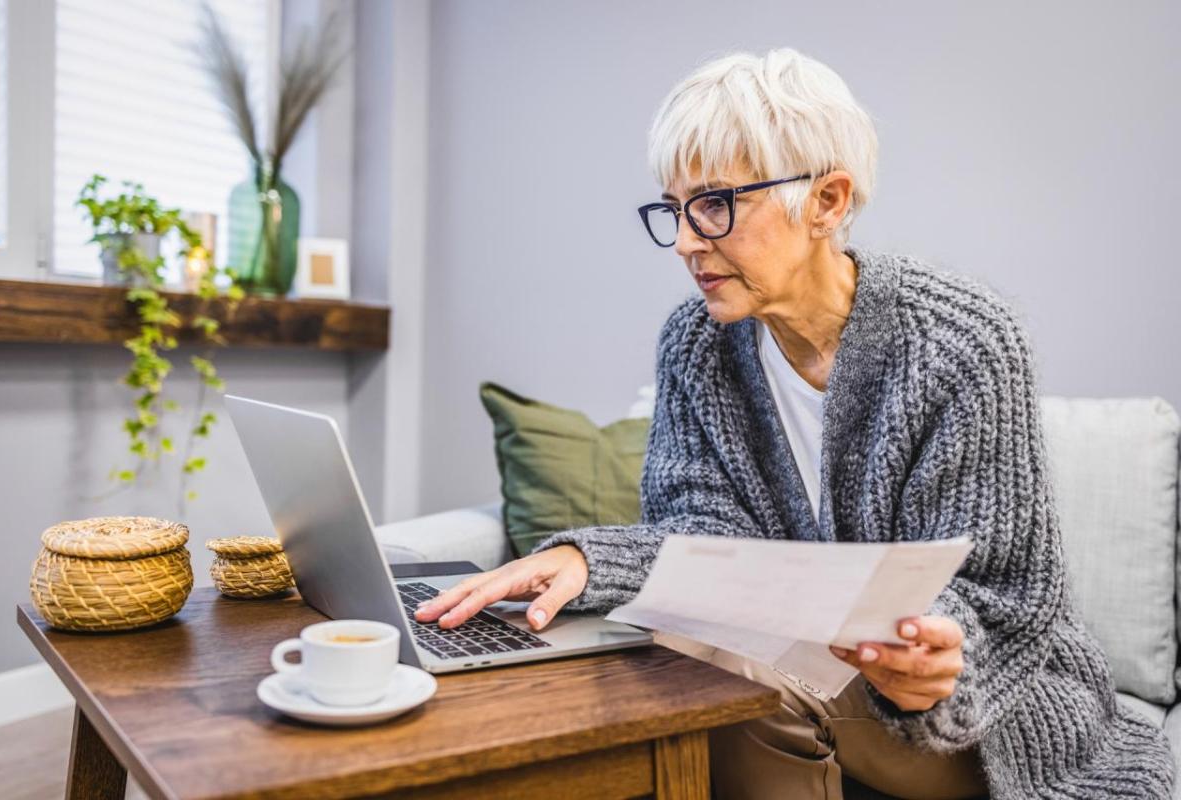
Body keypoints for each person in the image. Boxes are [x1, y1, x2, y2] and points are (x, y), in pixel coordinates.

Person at [414, 47, 1173, 798]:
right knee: (674, 653)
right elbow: (706, 538)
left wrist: (934, 662)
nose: (685, 241)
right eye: (674, 209)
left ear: (828, 202)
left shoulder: (963, 340)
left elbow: (1003, 591)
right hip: (805, 674)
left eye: (715, 205)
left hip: (989, 715)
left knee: (725, 671)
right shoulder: (697, 341)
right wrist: (589, 562)